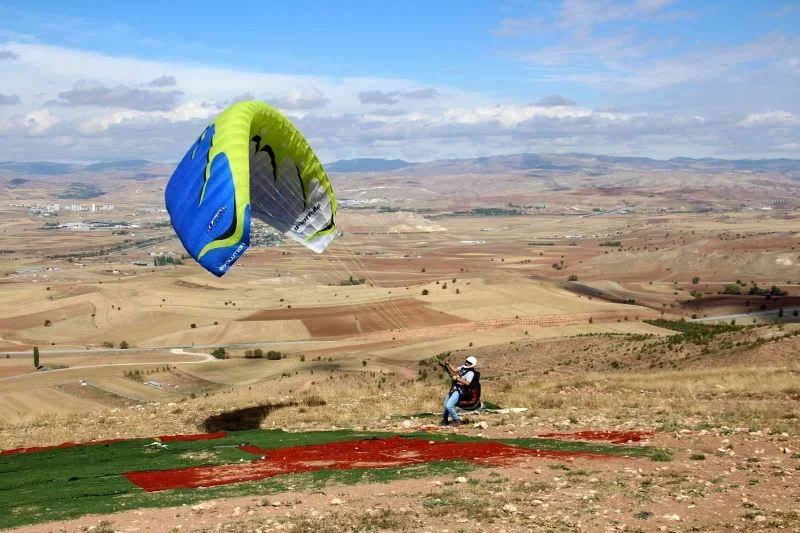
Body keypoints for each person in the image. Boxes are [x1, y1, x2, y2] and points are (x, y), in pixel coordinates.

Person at [440, 356, 477, 426]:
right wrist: (448, 364)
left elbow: (467, 383)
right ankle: (445, 420)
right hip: (453, 388)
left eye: (469, 363)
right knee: (445, 406)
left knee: (449, 405)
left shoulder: (471, 373)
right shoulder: (463, 367)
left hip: (459, 391)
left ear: (472, 364)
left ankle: (457, 420)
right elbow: (455, 370)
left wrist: (457, 379)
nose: (466, 363)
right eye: (466, 361)